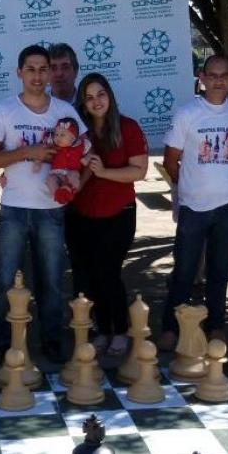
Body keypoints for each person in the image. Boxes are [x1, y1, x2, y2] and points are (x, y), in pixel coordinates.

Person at [0, 44, 87, 363]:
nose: (38, 76)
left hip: (51, 210)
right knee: (6, 280)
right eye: (31, 69)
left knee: (52, 281)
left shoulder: (64, 112)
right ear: (19, 73)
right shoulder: (5, 110)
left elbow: (83, 153)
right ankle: (6, 342)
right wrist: (28, 153)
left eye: (44, 69)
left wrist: (74, 179)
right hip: (13, 208)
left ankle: (51, 341)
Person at [158, 55, 228, 350]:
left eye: (224, 75)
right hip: (193, 206)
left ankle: (217, 326)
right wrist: (186, 187)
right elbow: (171, 159)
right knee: (184, 269)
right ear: (202, 77)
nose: (218, 81)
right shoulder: (187, 113)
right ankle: (171, 327)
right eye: (212, 75)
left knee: (219, 271)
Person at [68, 73, 148, 356]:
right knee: (89, 275)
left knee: (109, 272)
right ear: (83, 103)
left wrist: (105, 172)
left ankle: (121, 328)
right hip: (82, 215)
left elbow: (139, 171)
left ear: (110, 96)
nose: (96, 101)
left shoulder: (128, 128)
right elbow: (69, 175)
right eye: (89, 97)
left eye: (101, 94)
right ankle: (102, 328)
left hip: (118, 214)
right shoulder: (78, 133)